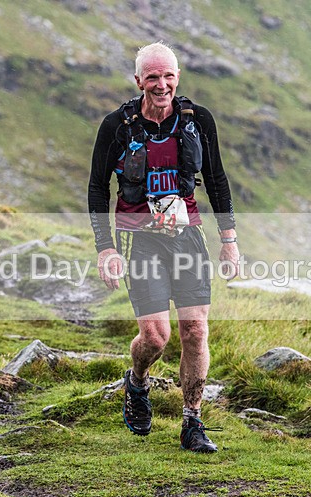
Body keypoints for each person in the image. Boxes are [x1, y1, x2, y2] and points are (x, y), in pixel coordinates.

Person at [88, 42, 239, 453]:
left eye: (168, 76)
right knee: (155, 338)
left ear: (178, 78)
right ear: (139, 81)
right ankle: (137, 382)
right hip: (141, 241)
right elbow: (98, 188)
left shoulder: (197, 120)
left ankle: (192, 421)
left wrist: (229, 242)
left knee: (195, 330)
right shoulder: (116, 126)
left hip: (188, 237)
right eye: (152, 77)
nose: (161, 84)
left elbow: (217, 180)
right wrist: (106, 249)